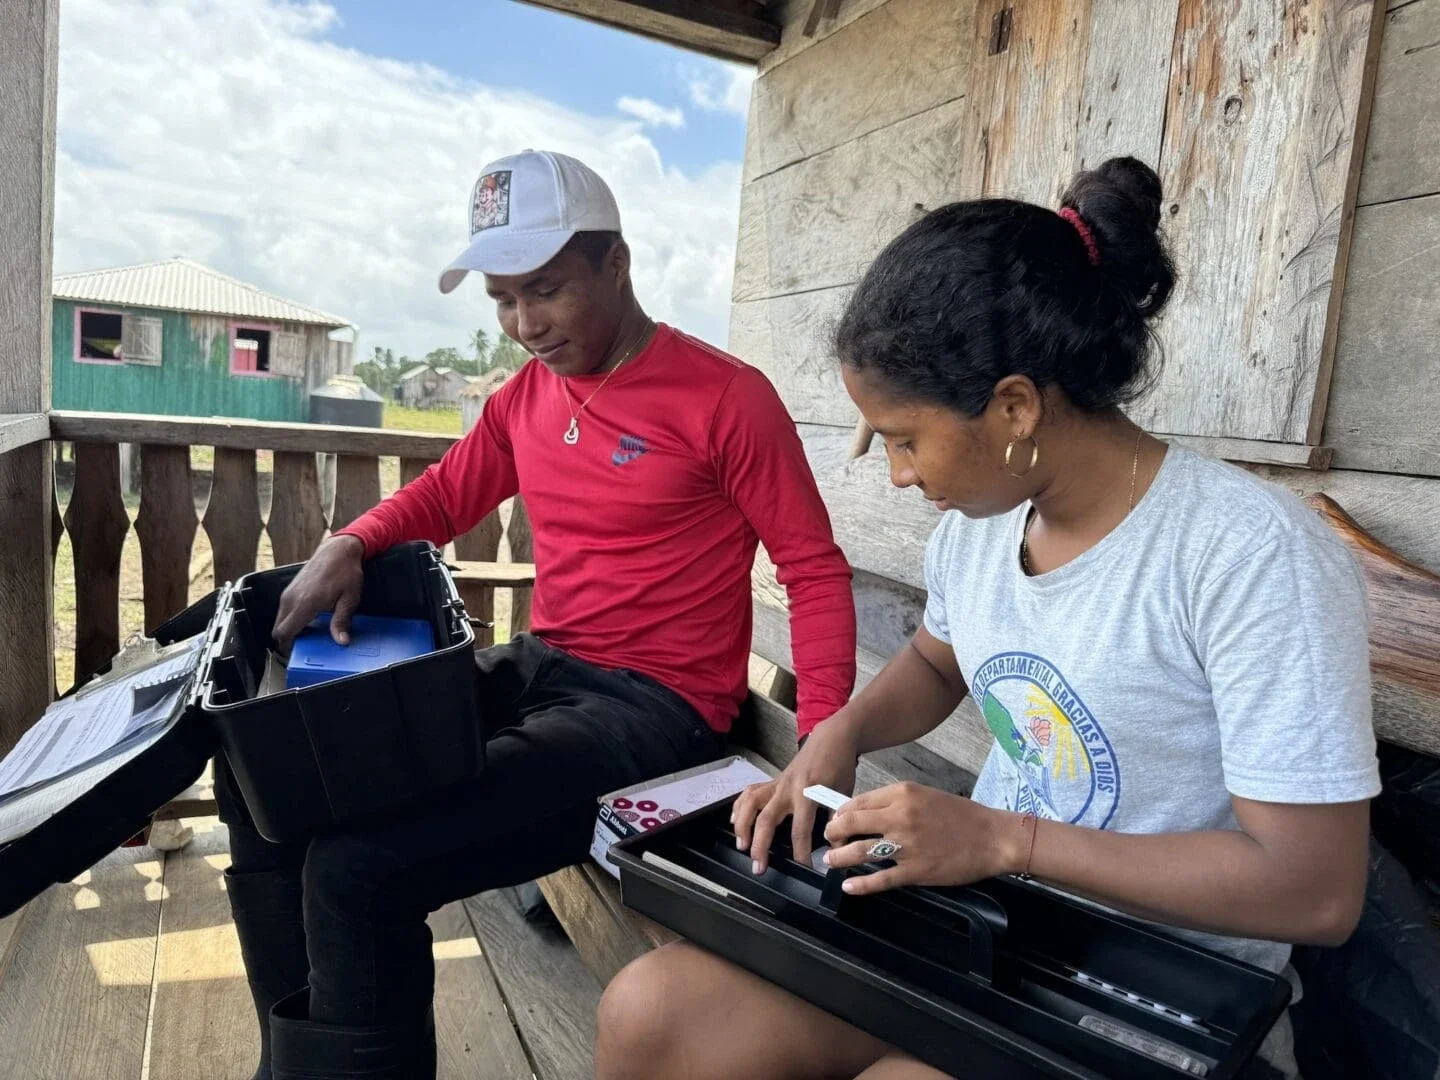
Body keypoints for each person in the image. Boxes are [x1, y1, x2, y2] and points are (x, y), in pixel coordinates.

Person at [593, 157, 1379, 1080]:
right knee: (650, 1014)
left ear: (1013, 406)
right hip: (980, 918)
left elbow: (1316, 892)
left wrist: (1008, 839)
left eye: (904, 439)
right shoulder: (986, 527)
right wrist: (836, 736)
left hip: (1144, 987)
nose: (896, 474)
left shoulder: (1246, 555)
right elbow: (936, 664)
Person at [216, 149, 858, 1080]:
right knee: (274, 774)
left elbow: (814, 570)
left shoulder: (726, 398)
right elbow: (442, 495)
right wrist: (352, 542)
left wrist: (824, 739)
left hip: (652, 713)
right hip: (538, 669)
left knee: (359, 871)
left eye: (545, 290)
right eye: (503, 300)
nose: (524, 324)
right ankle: (297, 1061)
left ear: (617, 263)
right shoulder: (524, 398)